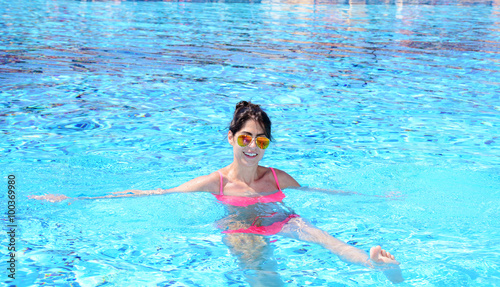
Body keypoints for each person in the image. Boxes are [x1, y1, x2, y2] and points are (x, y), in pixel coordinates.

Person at [31, 101, 403, 285]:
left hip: (282, 220)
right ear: (232, 138)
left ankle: (375, 264)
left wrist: (374, 198)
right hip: (240, 226)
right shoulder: (217, 182)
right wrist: (77, 200)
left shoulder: (276, 177)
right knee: (261, 270)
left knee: (326, 239)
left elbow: (323, 191)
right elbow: (156, 193)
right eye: (245, 138)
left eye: (260, 140)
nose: (252, 146)